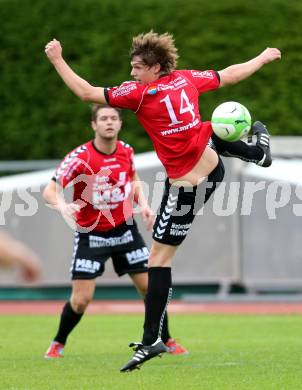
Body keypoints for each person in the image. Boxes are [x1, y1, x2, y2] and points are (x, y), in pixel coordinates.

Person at [44, 32, 281, 371]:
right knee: (208, 128)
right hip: (208, 171)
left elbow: (85, 92)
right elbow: (229, 74)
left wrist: (56, 59)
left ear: (154, 68)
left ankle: (151, 340)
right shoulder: (186, 79)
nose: (131, 73)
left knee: (158, 261)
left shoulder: (138, 94)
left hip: (188, 187)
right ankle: (257, 153)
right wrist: (262, 56)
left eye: (137, 67)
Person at [43, 104, 188, 359]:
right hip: (92, 234)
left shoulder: (126, 151)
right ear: (94, 125)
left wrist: (143, 205)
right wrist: (63, 206)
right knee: (81, 300)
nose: (109, 122)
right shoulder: (80, 157)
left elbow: (132, 180)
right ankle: (58, 342)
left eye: (113, 118)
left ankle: (165, 339)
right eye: (103, 119)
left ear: (120, 124)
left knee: (151, 288)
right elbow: (50, 190)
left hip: (125, 231)